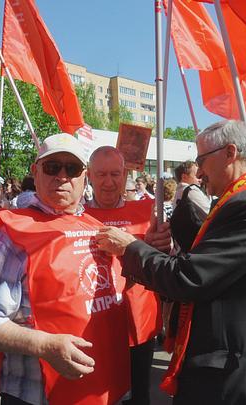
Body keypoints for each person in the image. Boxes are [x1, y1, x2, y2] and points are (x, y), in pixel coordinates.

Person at [96, 120, 246, 405]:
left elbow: (190, 277)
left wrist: (130, 248)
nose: (199, 171)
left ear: (229, 153)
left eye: (201, 160)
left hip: (243, 380)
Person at [0, 134, 131, 405]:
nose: (62, 176)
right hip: (37, 394)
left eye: (72, 169)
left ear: (85, 177)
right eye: (52, 167)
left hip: (101, 389)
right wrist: (46, 347)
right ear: (36, 172)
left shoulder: (96, 228)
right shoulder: (11, 237)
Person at [85, 146, 162, 405]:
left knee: (139, 393)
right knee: (98, 394)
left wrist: (166, 246)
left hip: (139, 319)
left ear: (125, 174)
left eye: (115, 174)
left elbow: (164, 261)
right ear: (89, 175)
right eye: (101, 174)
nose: (109, 183)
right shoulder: (77, 215)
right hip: (94, 322)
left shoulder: (148, 211)